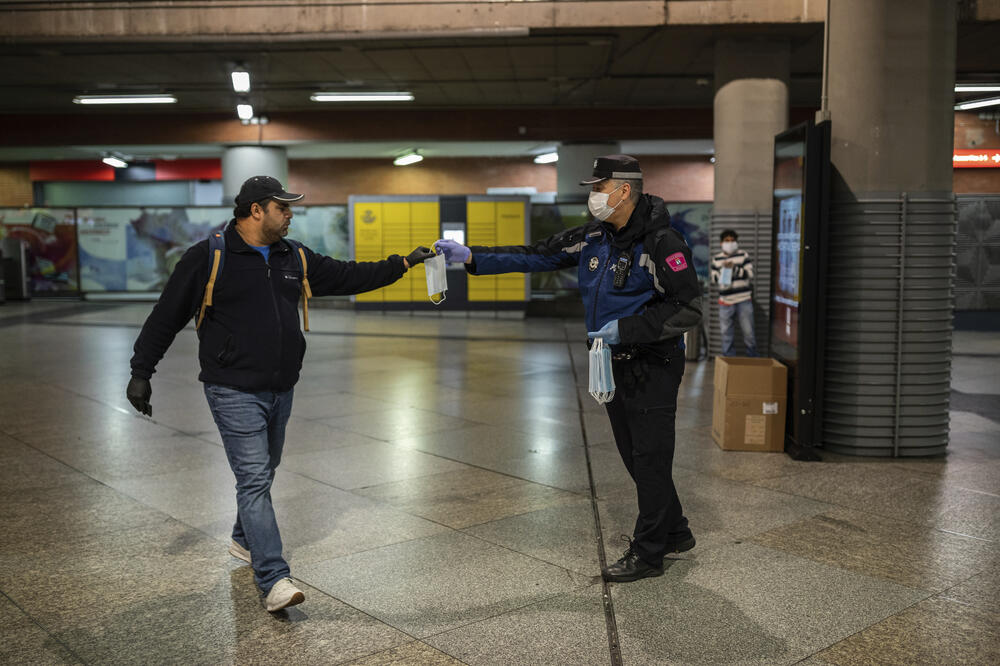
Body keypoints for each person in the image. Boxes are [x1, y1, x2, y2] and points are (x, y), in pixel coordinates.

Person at [126, 175, 434, 612]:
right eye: (282, 208)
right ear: (256, 210)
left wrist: (403, 263)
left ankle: (241, 539)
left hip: (281, 386)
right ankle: (273, 578)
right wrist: (142, 371)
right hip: (231, 387)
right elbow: (166, 314)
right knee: (253, 478)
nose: (290, 214)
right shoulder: (209, 256)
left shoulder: (294, 255)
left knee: (265, 469)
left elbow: (347, 275)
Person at [434, 155, 702, 583]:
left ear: (624, 190)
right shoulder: (594, 236)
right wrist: (473, 256)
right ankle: (676, 531)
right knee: (636, 458)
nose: (594, 196)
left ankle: (650, 553)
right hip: (610, 363)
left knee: (650, 459)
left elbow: (688, 306)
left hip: (652, 363)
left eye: (600, 187)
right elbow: (537, 256)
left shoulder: (661, 242)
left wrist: (629, 328)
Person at [710, 229, 758, 357]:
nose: (730, 243)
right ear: (721, 243)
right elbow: (714, 279)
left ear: (736, 242)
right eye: (727, 241)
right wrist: (724, 269)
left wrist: (735, 269)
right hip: (725, 301)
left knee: (749, 333)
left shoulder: (743, 255)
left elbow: (750, 274)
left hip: (743, 300)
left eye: (732, 241)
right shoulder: (717, 259)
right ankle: (729, 362)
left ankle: (754, 361)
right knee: (726, 335)